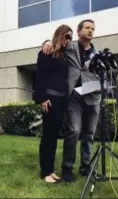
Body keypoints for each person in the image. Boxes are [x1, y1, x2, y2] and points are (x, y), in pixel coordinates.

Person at [42, 19, 101, 182]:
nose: (90, 31)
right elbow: (56, 43)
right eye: (87, 28)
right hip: (74, 96)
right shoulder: (70, 46)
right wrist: (46, 42)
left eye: (93, 29)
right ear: (79, 30)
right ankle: (67, 168)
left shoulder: (97, 54)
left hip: (92, 96)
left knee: (89, 134)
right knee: (74, 130)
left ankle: (85, 167)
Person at [33, 25, 72, 183]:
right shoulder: (47, 52)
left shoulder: (63, 55)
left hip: (61, 100)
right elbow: (40, 75)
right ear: (59, 35)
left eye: (70, 37)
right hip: (50, 99)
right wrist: (42, 98)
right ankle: (45, 173)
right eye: (66, 36)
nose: (68, 40)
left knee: (54, 136)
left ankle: (50, 170)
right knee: (48, 137)